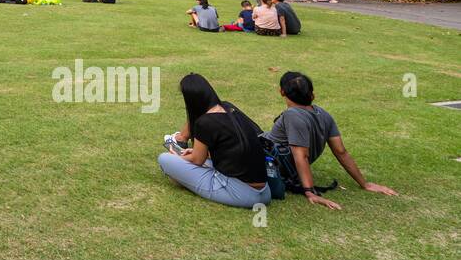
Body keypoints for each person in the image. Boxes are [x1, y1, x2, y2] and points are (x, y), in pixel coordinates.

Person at [265, 71, 397, 209]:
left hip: (265, 158)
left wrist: (310, 192)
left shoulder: (293, 115)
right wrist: (364, 183)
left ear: (281, 92)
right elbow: (341, 151)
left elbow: (301, 156)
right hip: (275, 154)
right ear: (312, 95)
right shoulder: (324, 115)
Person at [158, 73, 271, 209]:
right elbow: (231, 148)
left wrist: (177, 156)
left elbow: (197, 160)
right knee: (200, 161)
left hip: (241, 193)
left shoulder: (205, 122)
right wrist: (195, 151)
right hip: (264, 192)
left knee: (165, 159)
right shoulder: (230, 109)